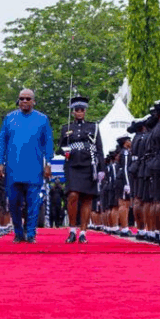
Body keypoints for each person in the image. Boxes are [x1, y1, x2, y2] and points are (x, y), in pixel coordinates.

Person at [0, 89, 53, 243]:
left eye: (28, 99)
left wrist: (48, 164)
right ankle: (18, 232)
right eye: (22, 99)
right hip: (13, 169)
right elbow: (2, 142)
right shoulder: (9, 118)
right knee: (14, 203)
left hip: (34, 168)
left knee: (33, 203)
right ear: (18, 101)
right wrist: (0, 162)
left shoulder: (42, 119)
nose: (25, 101)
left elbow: (48, 143)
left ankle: (31, 233)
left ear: (34, 101)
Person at [60, 96, 103, 243]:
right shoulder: (66, 128)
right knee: (72, 196)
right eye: (76, 110)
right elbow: (60, 147)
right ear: (73, 112)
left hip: (88, 165)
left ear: (85, 111)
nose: (79, 113)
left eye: (82, 110)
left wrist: (101, 169)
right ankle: (72, 230)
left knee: (86, 198)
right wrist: (64, 151)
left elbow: (99, 149)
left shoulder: (93, 127)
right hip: (72, 165)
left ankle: (83, 232)